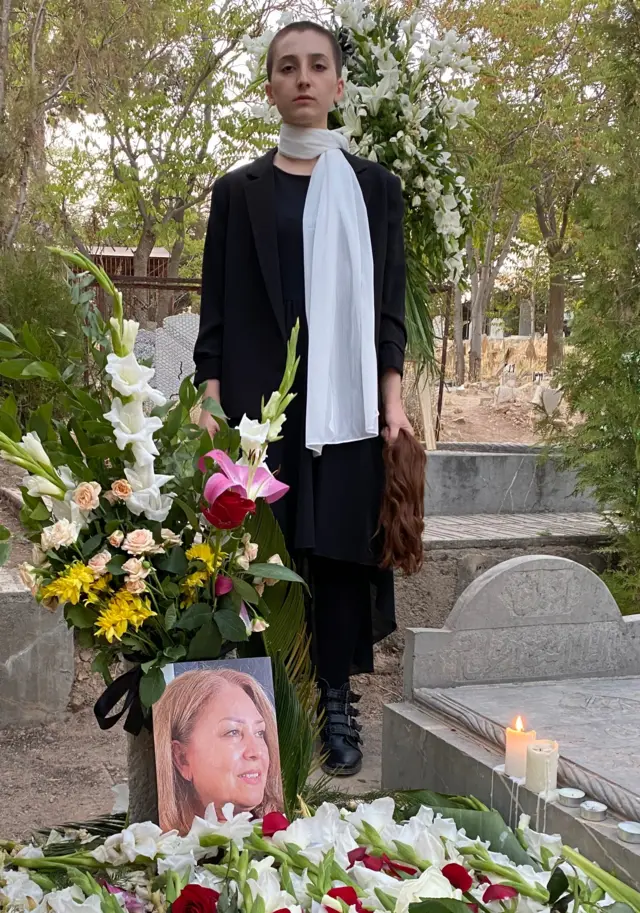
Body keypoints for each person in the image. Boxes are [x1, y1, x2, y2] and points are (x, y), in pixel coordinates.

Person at [194, 20, 412, 777]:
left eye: (318, 65)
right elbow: (216, 306)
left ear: (338, 85)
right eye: (287, 67)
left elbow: (388, 306)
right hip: (260, 402)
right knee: (263, 550)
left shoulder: (375, 189)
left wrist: (392, 400)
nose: (303, 78)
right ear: (270, 88)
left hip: (345, 405)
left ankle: (336, 698)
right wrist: (209, 398)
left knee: (339, 550)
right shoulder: (238, 193)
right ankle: (266, 702)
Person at [153, 668, 283, 835]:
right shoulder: (153, 845)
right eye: (233, 732)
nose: (256, 752)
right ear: (181, 758)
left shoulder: (286, 834)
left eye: (260, 733)